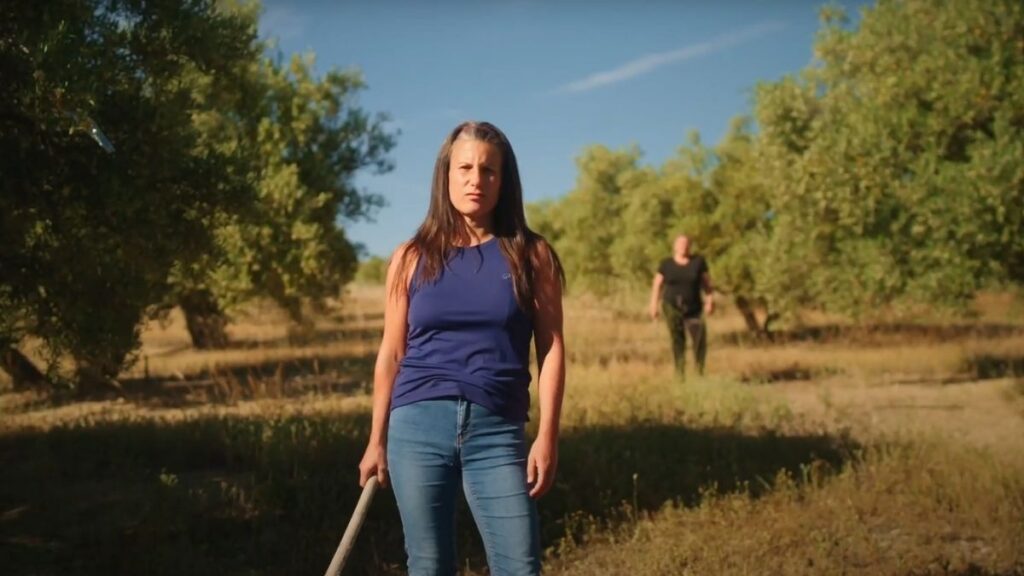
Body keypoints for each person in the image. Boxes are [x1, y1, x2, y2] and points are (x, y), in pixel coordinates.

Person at [358, 121, 566, 575]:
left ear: (504, 180)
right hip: (416, 425)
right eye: (465, 168)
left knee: (520, 565)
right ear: (446, 175)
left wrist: (548, 435)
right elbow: (392, 353)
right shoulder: (410, 257)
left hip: (496, 430)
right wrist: (376, 440)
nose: (477, 180)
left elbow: (551, 348)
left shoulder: (531, 255)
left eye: (489, 170)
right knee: (429, 565)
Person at [648, 235, 714, 379]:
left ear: (690, 246)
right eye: (680, 244)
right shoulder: (666, 264)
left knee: (699, 339)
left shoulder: (698, 262)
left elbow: (707, 284)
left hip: (694, 308)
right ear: (675, 247)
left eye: (686, 244)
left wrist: (710, 301)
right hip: (672, 306)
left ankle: (699, 372)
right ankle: (680, 373)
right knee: (678, 339)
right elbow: (657, 285)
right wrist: (654, 305)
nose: (683, 246)